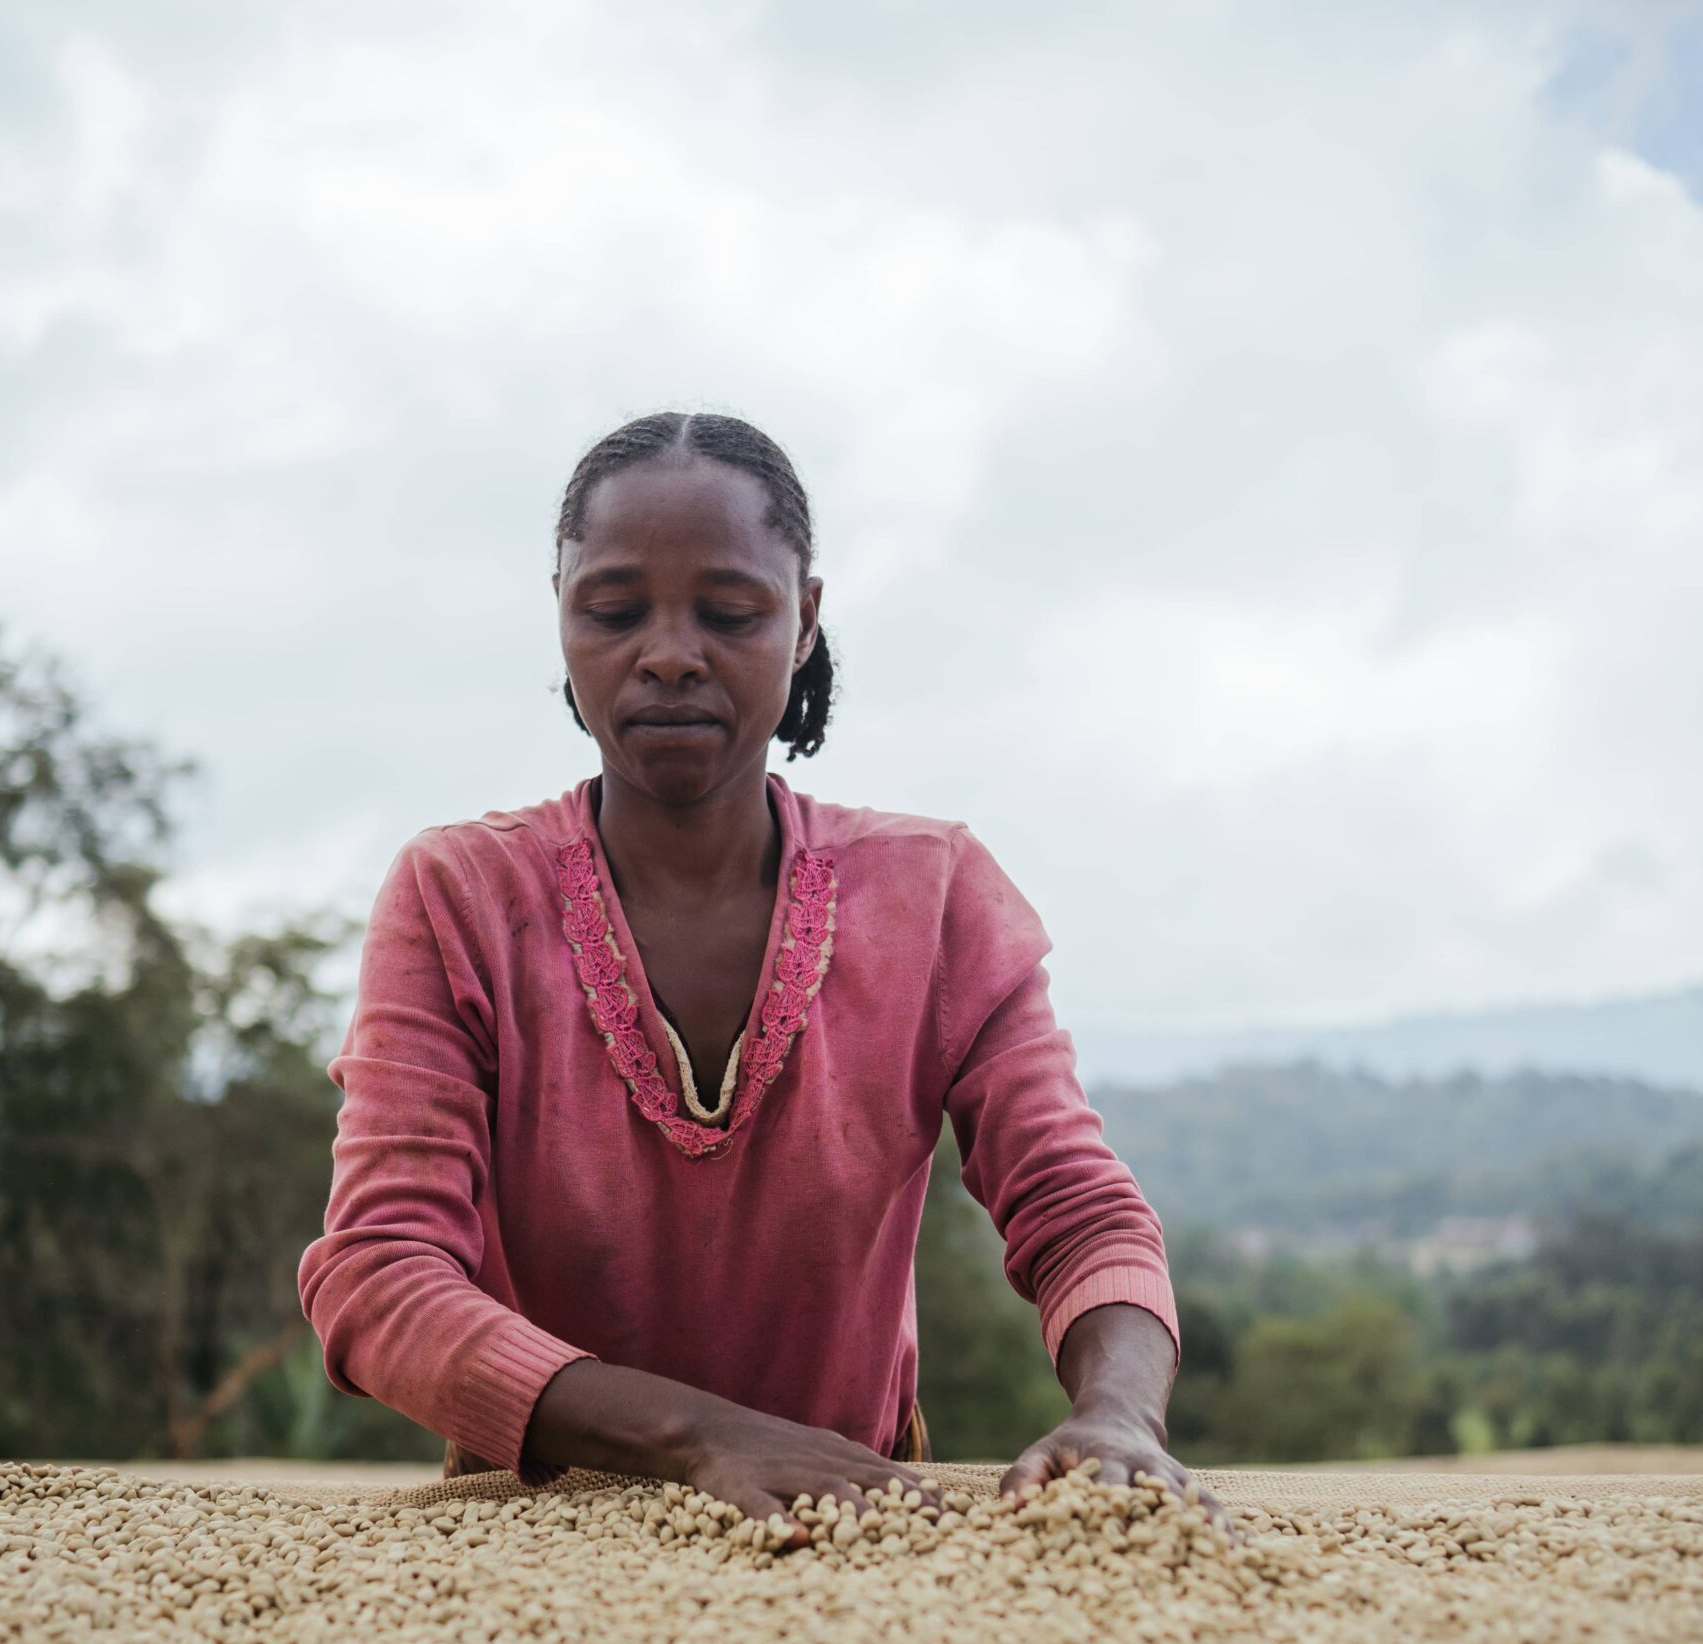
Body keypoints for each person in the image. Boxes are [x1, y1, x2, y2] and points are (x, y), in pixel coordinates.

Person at [299, 411, 1217, 1538]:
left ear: (804, 621)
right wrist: (698, 1435)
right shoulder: (457, 898)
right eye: (613, 609)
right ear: (560, 618)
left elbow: (1077, 1210)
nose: (671, 652)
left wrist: (1120, 1414)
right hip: (537, 1533)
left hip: (850, 1531)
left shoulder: (932, 896)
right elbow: (379, 1273)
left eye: (730, 612)